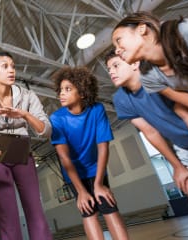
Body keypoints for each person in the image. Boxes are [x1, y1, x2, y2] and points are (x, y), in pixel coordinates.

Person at [0, 52, 52, 240]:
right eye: (5, 66)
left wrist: (25, 115)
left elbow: (46, 130)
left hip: (22, 154)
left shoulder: (27, 96)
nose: (11, 70)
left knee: (35, 210)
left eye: (13, 66)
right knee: (6, 216)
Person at [49, 66, 129, 240]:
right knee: (88, 211)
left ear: (83, 93)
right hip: (74, 174)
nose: (61, 93)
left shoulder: (97, 110)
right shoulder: (56, 118)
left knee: (109, 206)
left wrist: (99, 184)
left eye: (68, 89)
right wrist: (82, 191)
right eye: (60, 89)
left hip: (96, 169)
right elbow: (64, 157)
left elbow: (103, 147)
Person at [104, 49, 188, 198]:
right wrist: (177, 166)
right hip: (182, 145)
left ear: (134, 63)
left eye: (116, 65)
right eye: (109, 69)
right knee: (187, 184)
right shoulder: (120, 99)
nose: (111, 72)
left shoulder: (156, 75)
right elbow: (150, 132)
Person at [111, 11, 188, 128]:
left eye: (118, 40)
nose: (117, 51)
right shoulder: (148, 77)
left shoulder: (186, 32)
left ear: (142, 29)